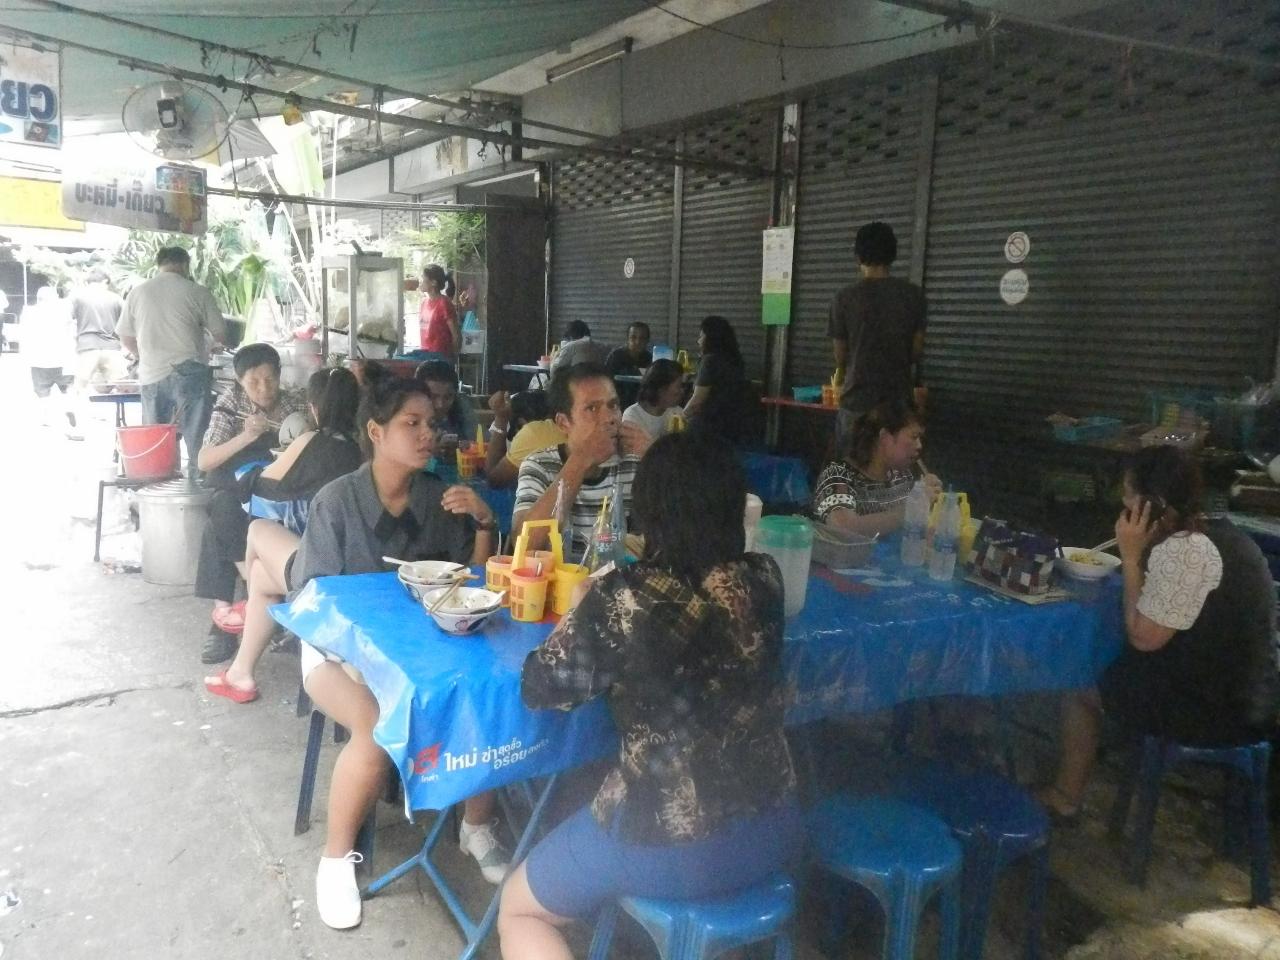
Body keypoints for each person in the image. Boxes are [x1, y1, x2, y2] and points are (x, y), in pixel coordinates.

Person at [498, 433, 803, 959]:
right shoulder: (765, 578)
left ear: (649, 513)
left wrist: (580, 608)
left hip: (664, 842)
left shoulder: (625, 596)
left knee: (518, 908)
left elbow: (540, 686)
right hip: (774, 827)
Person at [271, 370, 506, 928]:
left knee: (485, 691)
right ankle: (335, 861)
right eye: (412, 423)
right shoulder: (336, 502)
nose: (428, 434)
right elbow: (311, 601)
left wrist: (483, 519)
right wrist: (359, 655)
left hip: (419, 648)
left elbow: (468, 583)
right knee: (376, 727)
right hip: (336, 652)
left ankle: (476, 826)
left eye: (432, 423)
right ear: (376, 432)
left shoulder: (439, 497)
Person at [1039, 446, 1280, 823]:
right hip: (1250, 696)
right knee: (1108, 666)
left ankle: (1065, 798)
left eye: (1128, 493)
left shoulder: (1185, 551)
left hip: (1218, 712)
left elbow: (1143, 637)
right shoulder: (1215, 533)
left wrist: (1131, 557)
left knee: (1078, 682)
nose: (1122, 502)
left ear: (1150, 503)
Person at [203, 368, 363, 701]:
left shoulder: (312, 440)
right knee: (264, 573)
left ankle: (248, 601)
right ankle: (240, 674)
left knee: (258, 528)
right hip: (353, 560)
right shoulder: (365, 447)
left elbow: (262, 487)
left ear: (314, 408)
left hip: (325, 570)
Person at [194, 344, 306, 655]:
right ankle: (255, 599)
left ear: (280, 376)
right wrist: (246, 436)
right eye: (254, 381)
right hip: (235, 484)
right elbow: (204, 460)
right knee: (223, 511)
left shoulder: (294, 402)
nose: (264, 388)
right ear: (239, 380)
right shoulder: (231, 404)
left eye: (270, 379)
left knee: (219, 525)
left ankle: (225, 621)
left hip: (278, 485)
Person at [513, 363, 651, 557]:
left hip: (620, 574)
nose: (609, 418)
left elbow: (681, 529)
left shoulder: (634, 462)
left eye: (613, 405)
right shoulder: (539, 465)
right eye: (592, 408)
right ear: (563, 423)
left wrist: (656, 458)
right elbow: (524, 546)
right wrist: (582, 460)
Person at [117, 246, 227, 471]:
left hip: (151, 374)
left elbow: (125, 337)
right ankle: (199, 482)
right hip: (190, 373)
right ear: (185, 264)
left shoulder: (138, 293)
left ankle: (160, 483)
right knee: (197, 437)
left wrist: (143, 355)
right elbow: (220, 334)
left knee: (158, 439)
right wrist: (209, 345)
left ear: (159, 264)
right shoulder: (197, 291)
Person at [829, 221, 927, 454]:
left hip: (857, 403)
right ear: (893, 254)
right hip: (898, 405)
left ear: (858, 256)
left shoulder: (844, 298)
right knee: (894, 473)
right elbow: (916, 352)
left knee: (851, 471)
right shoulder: (914, 296)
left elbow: (840, 356)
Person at [812, 399, 941, 537]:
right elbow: (843, 528)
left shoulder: (904, 476)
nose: (919, 445)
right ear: (885, 437)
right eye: (914, 437)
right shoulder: (837, 476)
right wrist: (912, 508)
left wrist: (927, 498)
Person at [684, 315, 751, 444]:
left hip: (709, 425)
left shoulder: (710, 361)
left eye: (701, 337)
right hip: (733, 425)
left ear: (710, 339)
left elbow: (697, 401)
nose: (698, 341)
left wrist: (680, 417)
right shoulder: (735, 361)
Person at [21, 286, 77, 435]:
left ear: (38, 298)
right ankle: (69, 407)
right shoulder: (64, 312)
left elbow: (24, 335)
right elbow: (73, 332)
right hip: (63, 357)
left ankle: (45, 417)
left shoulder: (29, 312)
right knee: (67, 387)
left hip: (39, 359)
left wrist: (25, 356)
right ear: (55, 297)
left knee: (42, 390)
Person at [484, 390, 560, 489]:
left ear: (521, 422)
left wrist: (501, 419)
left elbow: (494, 480)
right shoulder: (559, 429)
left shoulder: (533, 433)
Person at [69, 270, 127, 394]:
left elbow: (68, 320)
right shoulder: (116, 299)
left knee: (80, 387)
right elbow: (126, 323)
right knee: (122, 387)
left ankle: (77, 405)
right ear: (105, 282)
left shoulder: (77, 298)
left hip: (87, 348)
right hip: (112, 348)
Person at [414, 358, 478, 452]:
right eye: (433, 397)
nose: (440, 405)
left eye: (448, 397)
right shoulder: (406, 416)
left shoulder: (460, 406)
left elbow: (481, 442)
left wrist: (467, 446)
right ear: (417, 394)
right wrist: (430, 450)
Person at [622, 359, 686, 440]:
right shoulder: (633, 416)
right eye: (679, 386)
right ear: (662, 389)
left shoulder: (676, 412)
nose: (682, 391)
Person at [418, 264, 459, 357]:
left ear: (433, 282)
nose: (421, 282)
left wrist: (451, 359)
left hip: (441, 357)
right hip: (425, 355)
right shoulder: (424, 303)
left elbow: (456, 336)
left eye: (423, 279)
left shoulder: (444, 303)